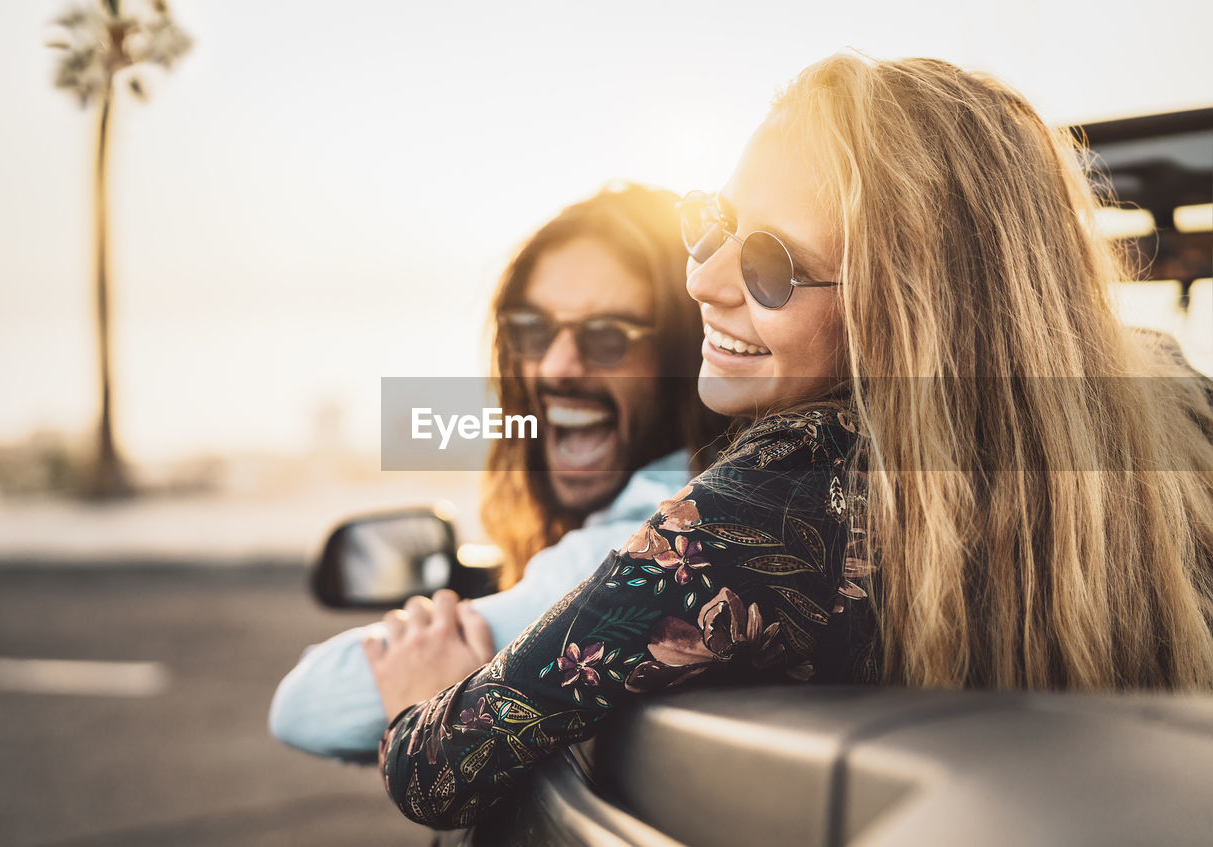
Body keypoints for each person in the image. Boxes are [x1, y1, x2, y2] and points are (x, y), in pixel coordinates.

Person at [373, 54, 1213, 829]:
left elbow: (438, 768)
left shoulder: (774, 501)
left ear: (908, 311)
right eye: (714, 221)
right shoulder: (1175, 427)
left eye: (773, 264)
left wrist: (420, 693)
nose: (703, 278)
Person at [268, 183, 728, 759]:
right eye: (533, 331)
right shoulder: (700, 513)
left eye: (609, 337)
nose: (557, 366)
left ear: (687, 358)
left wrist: (435, 699)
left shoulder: (634, 551)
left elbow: (309, 702)